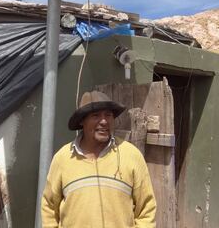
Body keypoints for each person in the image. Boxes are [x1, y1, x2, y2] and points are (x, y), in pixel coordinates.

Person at [41, 90, 156, 228]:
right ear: (82, 121)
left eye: (108, 115)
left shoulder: (131, 156)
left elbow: (147, 210)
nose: (104, 121)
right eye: (96, 116)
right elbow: (49, 208)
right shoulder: (63, 158)